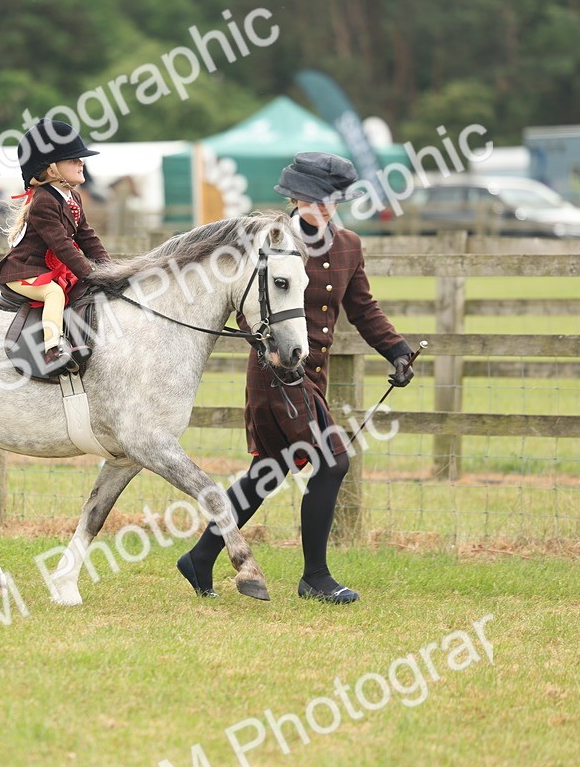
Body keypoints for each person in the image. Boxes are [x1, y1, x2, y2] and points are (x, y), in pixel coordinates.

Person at [176, 152, 415, 604]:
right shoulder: (267, 241)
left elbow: (362, 308)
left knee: (268, 472)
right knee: (333, 461)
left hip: (314, 375)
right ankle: (315, 578)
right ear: (295, 197)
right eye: (312, 199)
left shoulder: (348, 245)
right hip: (276, 372)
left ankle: (201, 555)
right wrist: (266, 343)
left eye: (330, 199)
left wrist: (397, 350)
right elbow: (249, 304)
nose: (320, 207)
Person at [0, 119, 110, 372]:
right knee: (54, 293)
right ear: (52, 170)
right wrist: (90, 273)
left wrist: (109, 269)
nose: (81, 162)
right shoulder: (44, 201)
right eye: (73, 160)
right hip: (25, 271)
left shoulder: (72, 196)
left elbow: (86, 236)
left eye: (80, 158)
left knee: (81, 291)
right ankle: (52, 349)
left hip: (47, 269)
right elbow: (63, 245)